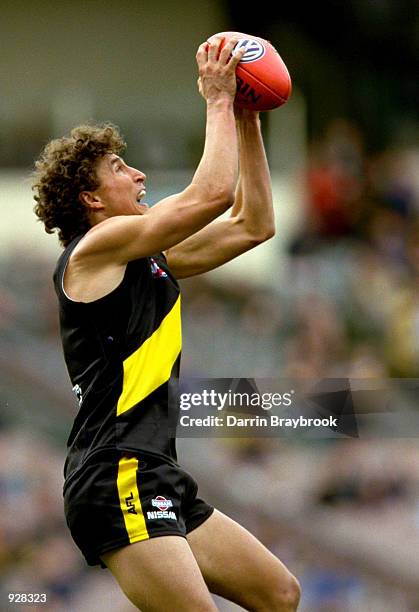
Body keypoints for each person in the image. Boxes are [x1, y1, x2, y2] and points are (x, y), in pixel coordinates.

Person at [32, 36, 301, 611]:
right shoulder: (95, 249)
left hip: (155, 470)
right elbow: (210, 195)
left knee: (279, 594)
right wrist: (216, 98)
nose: (138, 173)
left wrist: (248, 117)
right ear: (92, 199)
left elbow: (253, 225)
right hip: (117, 472)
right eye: (119, 168)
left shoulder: (146, 258)